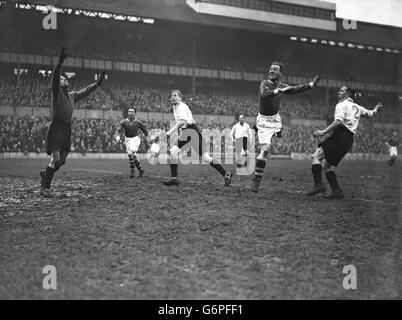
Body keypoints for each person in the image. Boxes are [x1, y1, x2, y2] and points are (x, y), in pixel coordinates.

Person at [40, 47, 107, 197]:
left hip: (66, 128)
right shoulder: (56, 92)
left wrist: (96, 84)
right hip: (57, 126)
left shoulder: (72, 95)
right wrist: (60, 62)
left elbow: (85, 91)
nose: (62, 78)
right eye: (61, 78)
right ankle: (45, 188)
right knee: (56, 157)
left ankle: (46, 174)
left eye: (64, 78)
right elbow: (55, 76)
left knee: (61, 161)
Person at [252, 61, 320, 192]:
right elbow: (264, 95)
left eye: (275, 69)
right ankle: (256, 179)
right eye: (270, 69)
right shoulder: (264, 83)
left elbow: (295, 89)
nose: (271, 71)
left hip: (275, 118)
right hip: (264, 120)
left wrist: (311, 85)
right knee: (265, 150)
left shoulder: (282, 86)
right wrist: (278, 91)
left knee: (277, 129)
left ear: (280, 73)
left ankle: (278, 131)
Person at [307, 86, 383, 199]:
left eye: (342, 90)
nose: (339, 92)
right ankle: (337, 191)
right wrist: (376, 108)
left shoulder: (342, 105)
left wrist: (323, 131)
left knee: (315, 157)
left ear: (348, 94)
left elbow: (339, 121)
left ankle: (318, 185)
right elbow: (371, 114)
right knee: (327, 166)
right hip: (348, 140)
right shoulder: (358, 107)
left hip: (340, 135)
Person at [163, 90, 232, 186]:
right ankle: (174, 178)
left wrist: (170, 132)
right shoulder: (175, 107)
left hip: (191, 132)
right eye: (172, 96)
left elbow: (182, 122)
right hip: (188, 132)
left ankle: (226, 174)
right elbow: (183, 124)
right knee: (174, 153)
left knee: (205, 158)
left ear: (180, 98)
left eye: (175, 95)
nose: (173, 97)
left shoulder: (181, 106)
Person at [115, 108, 148, 178]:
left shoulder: (138, 122)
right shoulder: (123, 122)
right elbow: (118, 130)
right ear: (127, 113)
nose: (131, 113)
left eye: (132, 111)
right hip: (127, 140)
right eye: (129, 111)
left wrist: (151, 137)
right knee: (134, 157)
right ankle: (141, 170)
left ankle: (132, 171)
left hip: (135, 139)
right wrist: (117, 136)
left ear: (134, 113)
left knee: (130, 153)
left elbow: (145, 131)